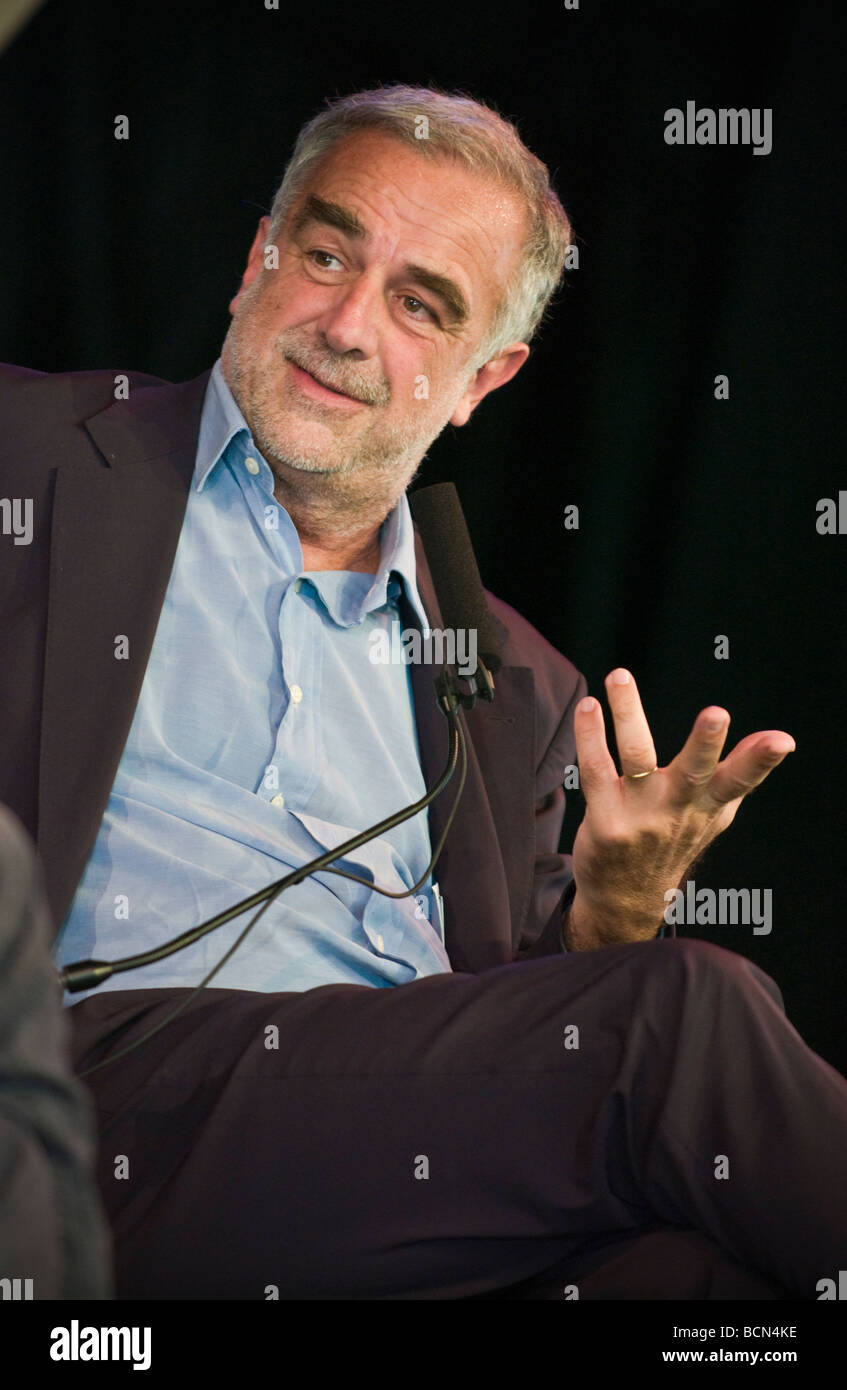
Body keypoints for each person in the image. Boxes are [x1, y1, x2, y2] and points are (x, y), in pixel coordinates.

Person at [1, 84, 845, 1301]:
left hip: (372, 1174)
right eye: (328, 252)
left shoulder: (516, 689)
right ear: (257, 259)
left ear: (481, 380)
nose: (346, 325)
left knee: (692, 1280)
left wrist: (606, 926)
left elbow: (508, 1047)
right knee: (684, 1016)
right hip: (99, 1100)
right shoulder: (33, 456)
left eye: (418, 304)